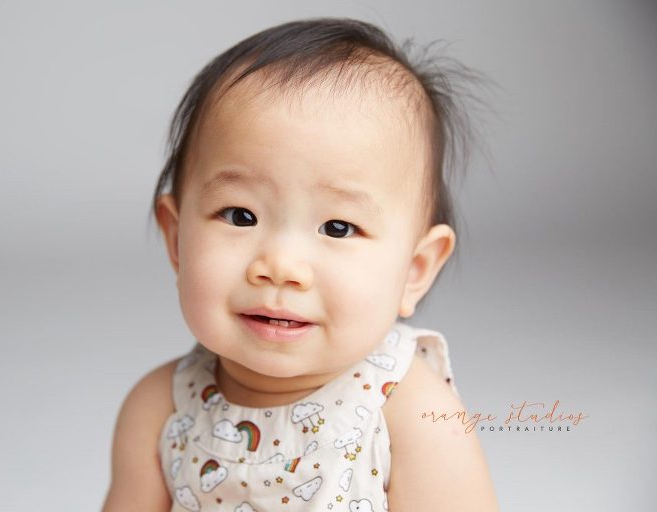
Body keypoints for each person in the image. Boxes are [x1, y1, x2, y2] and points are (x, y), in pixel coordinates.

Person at [103, 17, 499, 511]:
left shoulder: (413, 417)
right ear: (177, 240)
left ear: (414, 270)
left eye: (337, 227)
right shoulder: (160, 408)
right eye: (240, 215)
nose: (281, 267)